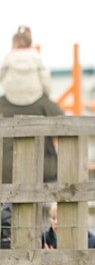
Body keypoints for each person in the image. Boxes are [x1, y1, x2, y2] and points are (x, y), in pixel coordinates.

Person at [1, 26, 63, 183]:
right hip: (40, 173)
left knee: (7, 206)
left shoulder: (2, 104)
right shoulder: (45, 105)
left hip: (6, 175)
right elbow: (67, 128)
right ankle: (49, 207)